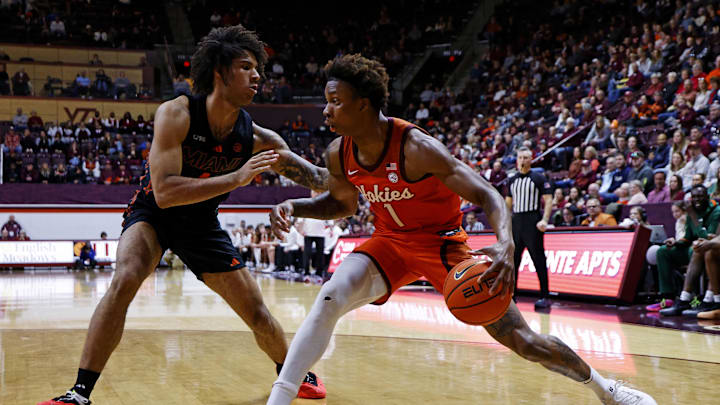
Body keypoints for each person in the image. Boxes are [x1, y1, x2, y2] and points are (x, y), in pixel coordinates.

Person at [266, 54, 656, 405]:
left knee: (524, 341)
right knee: (331, 296)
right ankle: (280, 399)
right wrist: (293, 205)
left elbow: (487, 194)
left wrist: (506, 243)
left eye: (335, 102)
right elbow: (342, 204)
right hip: (389, 244)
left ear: (363, 104)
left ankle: (608, 392)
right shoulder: (340, 152)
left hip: (442, 248)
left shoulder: (416, 147)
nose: (326, 111)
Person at [39, 25, 328, 405]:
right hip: (153, 214)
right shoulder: (176, 114)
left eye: (258, 68)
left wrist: (359, 166)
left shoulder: (260, 140)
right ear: (221, 73)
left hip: (201, 224)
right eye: (246, 66)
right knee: (126, 276)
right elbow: (165, 191)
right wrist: (236, 176)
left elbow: (320, 179)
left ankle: (293, 372)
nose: (258, 75)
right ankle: (78, 394)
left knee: (256, 311)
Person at [659, 185, 720, 317]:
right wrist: (676, 242)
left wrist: (693, 217)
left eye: (700, 196)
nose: (697, 200)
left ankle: (702, 298)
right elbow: (688, 237)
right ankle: (670, 296)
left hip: (706, 248)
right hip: (697, 247)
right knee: (662, 251)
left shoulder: (716, 211)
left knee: (699, 249)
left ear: (708, 197)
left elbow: (708, 237)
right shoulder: (691, 210)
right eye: (694, 197)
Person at [506, 147, 552, 308]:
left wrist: (545, 220)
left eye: (526, 157)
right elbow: (507, 205)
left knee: (538, 259)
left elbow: (548, 200)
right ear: (516, 159)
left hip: (533, 220)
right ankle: (511, 295)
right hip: (517, 221)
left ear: (531, 159)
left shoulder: (538, 178)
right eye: (520, 158)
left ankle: (545, 296)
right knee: (513, 261)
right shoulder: (511, 180)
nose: (523, 161)